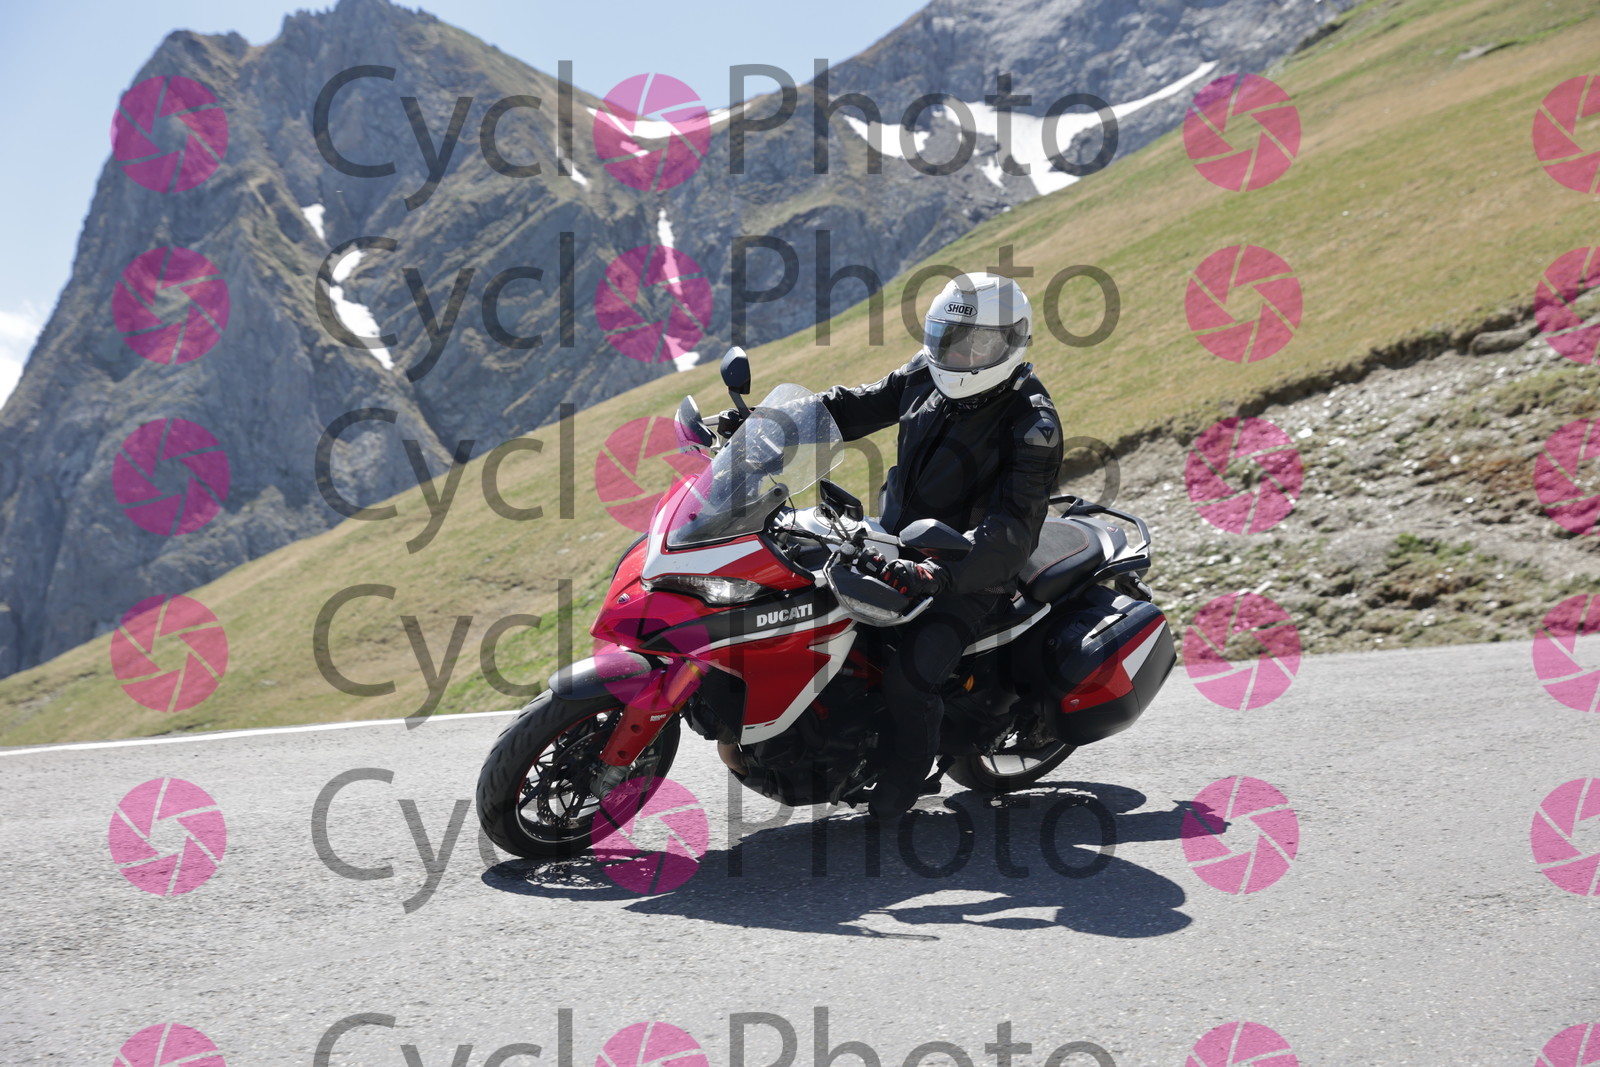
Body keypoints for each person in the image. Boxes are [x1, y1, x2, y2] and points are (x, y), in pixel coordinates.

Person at [817, 272, 1064, 819]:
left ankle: (903, 781)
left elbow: (1012, 529)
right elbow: (853, 407)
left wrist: (942, 573)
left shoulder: (1032, 423)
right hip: (893, 541)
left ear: (1009, 344)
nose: (958, 353)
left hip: (968, 572)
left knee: (910, 676)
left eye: (975, 343)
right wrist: (765, 425)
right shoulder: (924, 373)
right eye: (948, 337)